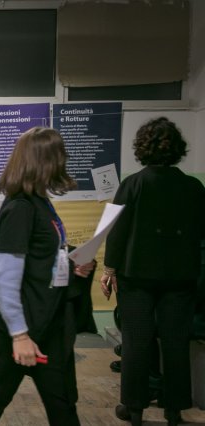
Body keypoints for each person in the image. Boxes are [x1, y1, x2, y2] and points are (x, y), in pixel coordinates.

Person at [0, 127, 93, 426]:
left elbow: (39, 257)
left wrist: (71, 263)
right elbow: (4, 278)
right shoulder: (21, 208)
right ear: (45, 161)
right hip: (18, 327)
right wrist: (20, 336)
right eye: (60, 156)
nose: (64, 162)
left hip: (47, 322)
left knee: (63, 402)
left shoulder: (39, 202)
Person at [100, 117, 205, 426]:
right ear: (178, 149)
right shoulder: (193, 187)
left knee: (136, 342)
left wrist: (109, 269)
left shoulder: (133, 184)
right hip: (181, 277)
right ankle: (174, 410)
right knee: (175, 343)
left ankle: (134, 410)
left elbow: (116, 232)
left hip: (136, 277)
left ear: (142, 149)